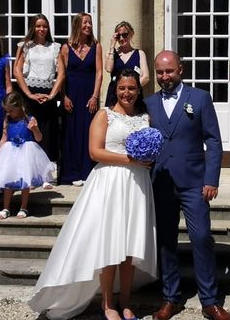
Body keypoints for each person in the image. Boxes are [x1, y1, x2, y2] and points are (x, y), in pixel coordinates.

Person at [29, 69, 156, 320]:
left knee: (130, 247)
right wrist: (131, 159)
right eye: (122, 88)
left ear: (138, 89)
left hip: (137, 184)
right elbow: (95, 152)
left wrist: (148, 157)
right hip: (110, 182)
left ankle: (126, 302)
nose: (127, 93)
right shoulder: (104, 114)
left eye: (131, 88)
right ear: (115, 89)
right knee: (111, 244)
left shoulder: (144, 117)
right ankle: (108, 304)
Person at [145, 51, 230, 320]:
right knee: (166, 241)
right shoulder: (148, 103)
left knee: (202, 237)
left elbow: (213, 141)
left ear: (180, 69)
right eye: (159, 72)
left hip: (195, 182)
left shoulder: (199, 98)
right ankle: (171, 297)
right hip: (160, 181)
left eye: (169, 71)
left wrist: (211, 178)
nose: (164, 77)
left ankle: (209, 300)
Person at [0, 92, 55, 219]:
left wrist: (35, 128)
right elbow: (4, 139)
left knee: (25, 180)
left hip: (26, 153)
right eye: (7, 111)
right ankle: (6, 207)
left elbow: (39, 138)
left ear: (20, 106)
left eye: (11, 110)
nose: (9, 113)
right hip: (10, 154)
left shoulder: (29, 119)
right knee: (8, 180)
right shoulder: (7, 121)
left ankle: (24, 207)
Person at [58, 13, 102, 186]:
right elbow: (61, 75)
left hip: (89, 95)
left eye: (90, 23)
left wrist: (95, 96)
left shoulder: (96, 46)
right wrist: (64, 97)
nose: (89, 26)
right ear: (77, 25)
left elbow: (99, 73)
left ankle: (88, 172)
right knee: (71, 133)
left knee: (89, 131)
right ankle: (72, 172)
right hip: (71, 95)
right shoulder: (66, 48)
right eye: (85, 23)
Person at [14, 14, 63, 163]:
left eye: (45, 26)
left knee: (47, 131)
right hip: (29, 91)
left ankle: (45, 171)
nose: (42, 29)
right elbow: (17, 70)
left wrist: (52, 95)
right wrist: (28, 94)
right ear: (33, 28)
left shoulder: (54, 47)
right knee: (29, 129)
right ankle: (28, 167)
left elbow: (61, 73)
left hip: (48, 93)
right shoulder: (25, 46)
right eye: (38, 26)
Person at [104, 21, 150, 108]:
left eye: (125, 35)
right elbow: (109, 69)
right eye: (118, 36)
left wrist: (131, 90)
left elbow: (146, 77)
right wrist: (112, 47)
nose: (121, 38)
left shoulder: (140, 53)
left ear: (131, 34)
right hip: (115, 95)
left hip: (134, 97)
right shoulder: (111, 53)